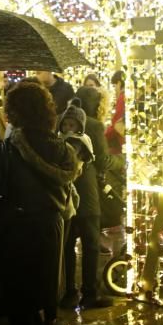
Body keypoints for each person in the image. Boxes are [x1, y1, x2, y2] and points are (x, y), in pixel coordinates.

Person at [0, 81, 80, 325]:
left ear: (13, 113)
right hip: (50, 235)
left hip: (16, 239)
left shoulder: (7, 150)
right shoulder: (62, 149)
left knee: (21, 315)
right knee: (39, 306)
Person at [60, 91, 114, 310]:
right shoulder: (94, 127)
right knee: (90, 244)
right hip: (87, 195)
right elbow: (102, 160)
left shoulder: (58, 127)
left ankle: (69, 292)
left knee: (68, 244)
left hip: (66, 197)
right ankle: (90, 292)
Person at [105, 70, 125, 156]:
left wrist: (104, 135)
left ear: (119, 83)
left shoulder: (122, 98)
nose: (114, 89)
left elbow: (116, 124)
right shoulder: (125, 96)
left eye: (114, 86)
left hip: (120, 143)